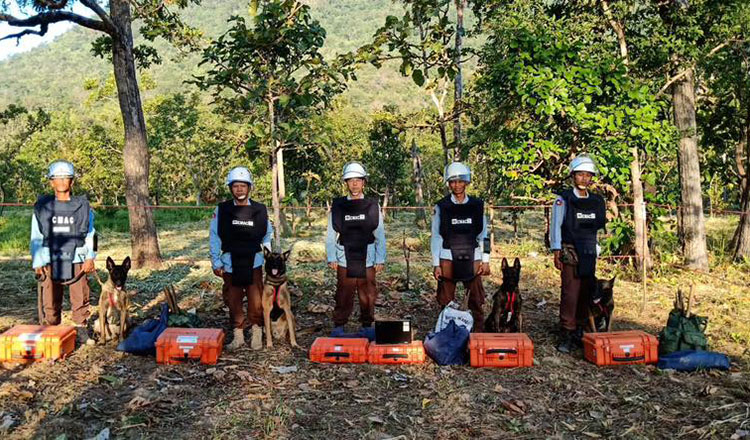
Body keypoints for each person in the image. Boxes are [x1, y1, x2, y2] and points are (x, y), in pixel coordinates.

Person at [31, 160, 97, 345]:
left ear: (72, 181)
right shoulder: (42, 208)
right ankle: (51, 331)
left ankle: (81, 328)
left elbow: (91, 234)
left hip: (77, 258)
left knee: (80, 294)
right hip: (49, 259)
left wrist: (90, 257)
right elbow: (36, 235)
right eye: (57, 178)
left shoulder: (83, 207)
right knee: (50, 297)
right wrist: (37, 262)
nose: (61, 181)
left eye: (65, 177)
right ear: (51, 182)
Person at [210, 167, 273, 350]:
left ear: (249, 187)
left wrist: (269, 258)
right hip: (230, 262)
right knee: (233, 299)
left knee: (256, 299)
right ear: (231, 188)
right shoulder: (222, 210)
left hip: (254, 261)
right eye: (235, 186)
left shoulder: (260, 210)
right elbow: (214, 236)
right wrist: (216, 261)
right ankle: (238, 335)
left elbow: (267, 235)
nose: (239, 189)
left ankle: (256, 331)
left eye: (243, 186)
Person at [550, 154, 607, 353]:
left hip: (589, 251)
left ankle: (581, 329)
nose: (584, 178)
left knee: (586, 292)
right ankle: (567, 331)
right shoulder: (563, 199)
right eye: (580, 174)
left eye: (588, 175)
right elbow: (556, 226)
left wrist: (597, 248)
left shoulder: (596, 201)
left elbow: (597, 228)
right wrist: (556, 249)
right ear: (573, 176)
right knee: (570, 293)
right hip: (570, 250)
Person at [326, 162, 386, 332]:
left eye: (358, 180)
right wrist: (331, 257)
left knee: (368, 294)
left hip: (368, 257)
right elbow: (331, 234)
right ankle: (339, 325)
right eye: (350, 180)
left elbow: (380, 234)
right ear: (346, 182)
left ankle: (367, 325)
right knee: (343, 293)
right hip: (344, 257)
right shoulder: (338, 206)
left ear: (363, 182)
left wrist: (380, 258)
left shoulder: (372, 205)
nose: (354, 184)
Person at [431, 162, 491, 328]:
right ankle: (445, 331)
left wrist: (486, 260)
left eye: (460, 181)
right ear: (448, 183)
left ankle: (478, 332)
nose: (456, 185)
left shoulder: (477, 205)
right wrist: (436, 264)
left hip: (473, 257)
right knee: (445, 299)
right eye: (453, 182)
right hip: (447, 257)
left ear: (466, 182)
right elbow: (436, 236)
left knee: (476, 300)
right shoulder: (441, 206)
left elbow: (484, 235)